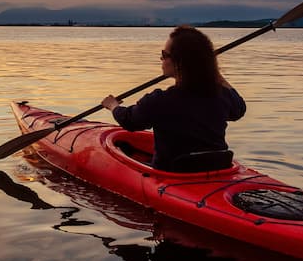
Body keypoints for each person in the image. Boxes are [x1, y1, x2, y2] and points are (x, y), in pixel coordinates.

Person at [101, 25, 246, 171]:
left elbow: (130, 120)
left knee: (126, 149)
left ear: (179, 62)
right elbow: (239, 109)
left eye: (164, 54)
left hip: (174, 172)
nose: (161, 59)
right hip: (217, 167)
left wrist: (113, 106)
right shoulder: (221, 96)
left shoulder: (160, 101)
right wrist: (211, 70)